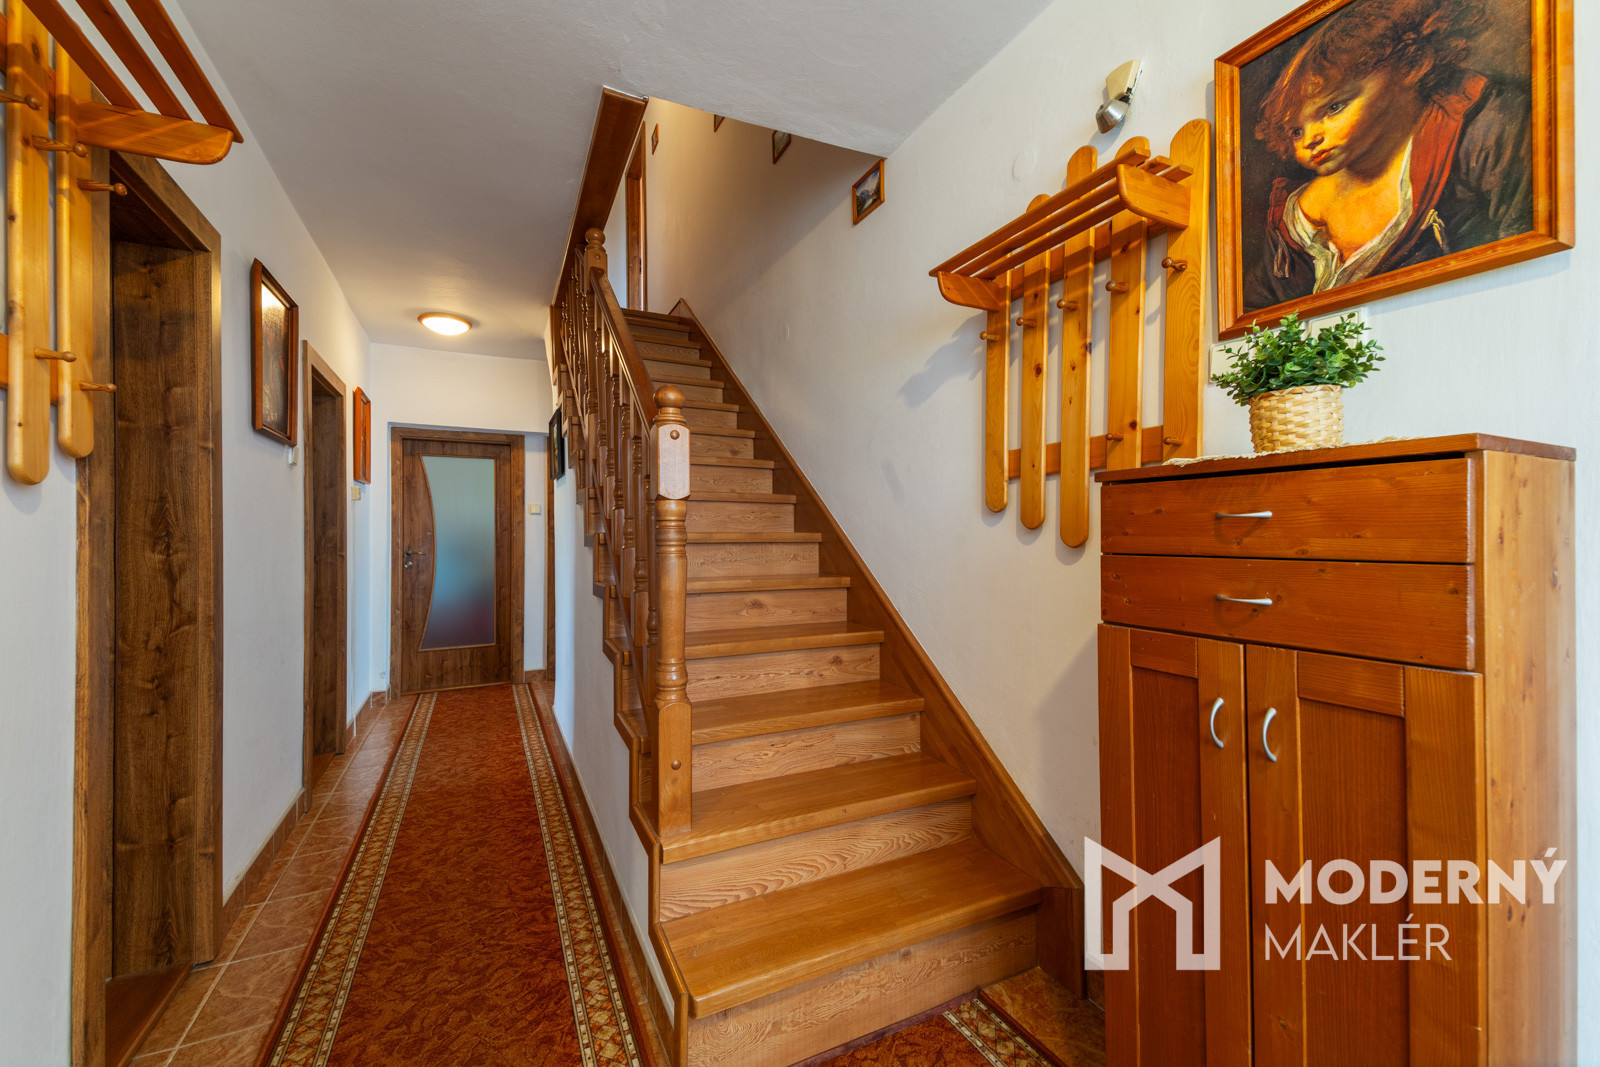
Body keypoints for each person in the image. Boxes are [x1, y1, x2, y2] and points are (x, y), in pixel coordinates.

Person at [1245, 0, 1532, 311]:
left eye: (1334, 108)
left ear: (1411, 67)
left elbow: (1522, 256)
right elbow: (1260, 309)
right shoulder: (1296, 214)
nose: (1311, 139)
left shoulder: (1485, 127)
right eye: (1296, 131)